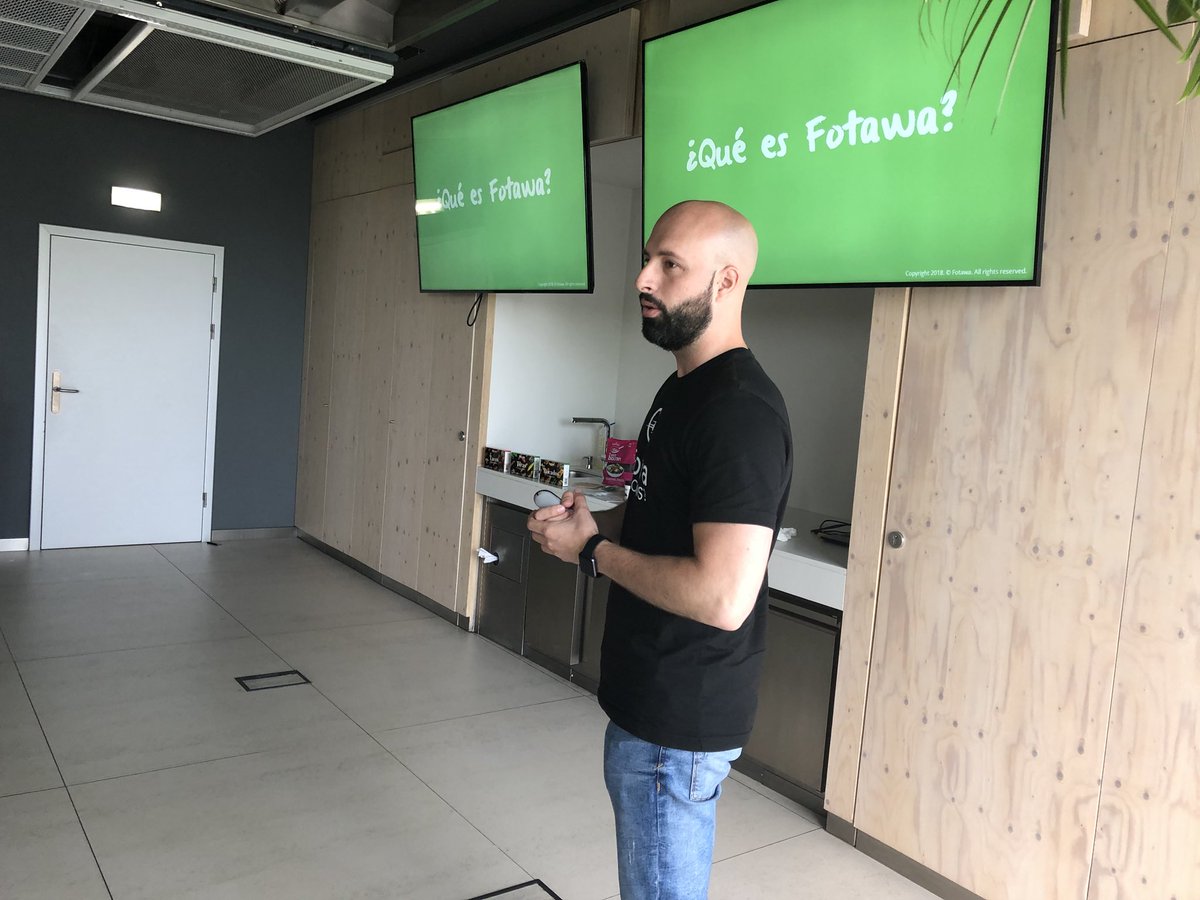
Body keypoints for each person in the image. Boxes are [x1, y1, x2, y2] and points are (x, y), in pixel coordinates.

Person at [527, 200, 792, 899]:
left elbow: (722, 596)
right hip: (652, 703)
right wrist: (595, 531)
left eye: (669, 265)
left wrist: (592, 553)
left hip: (680, 722)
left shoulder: (737, 411)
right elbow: (664, 529)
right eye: (648, 258)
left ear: (726, 282)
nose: (644, 278)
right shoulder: (682, 388)